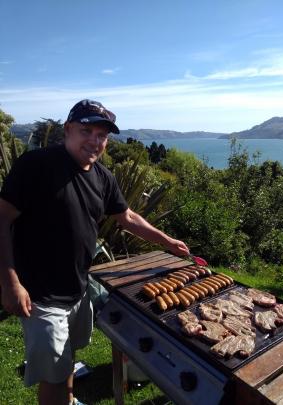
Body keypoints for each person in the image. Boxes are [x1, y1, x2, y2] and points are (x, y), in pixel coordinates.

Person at [0, 99, 189, 405]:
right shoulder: (36, 166)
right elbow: (2, 219)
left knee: (68, 356)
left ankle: (71, 400)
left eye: (102, 135)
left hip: (77, 288)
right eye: (86, 130)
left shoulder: (103, 177)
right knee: (54, 376)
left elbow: (126, 218)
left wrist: (166, 241)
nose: (95, 140)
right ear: (68, 130)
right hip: (40, 295)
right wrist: (10, 282)